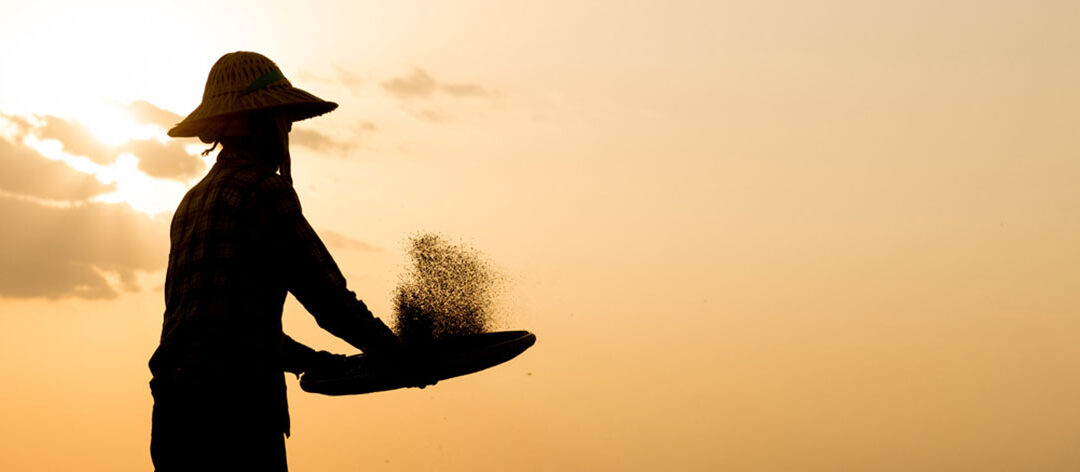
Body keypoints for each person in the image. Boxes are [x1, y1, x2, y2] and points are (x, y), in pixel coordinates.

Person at [149, 51, 425, 471]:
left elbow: (223, 327)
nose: (286, 131)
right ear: (250, 124)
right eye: (280, 120)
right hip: (237, 415)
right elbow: (329, 301)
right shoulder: (265, 190)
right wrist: (399, 355)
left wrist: (313, 362)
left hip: (175, 414)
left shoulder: (191, 203)